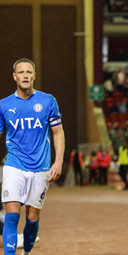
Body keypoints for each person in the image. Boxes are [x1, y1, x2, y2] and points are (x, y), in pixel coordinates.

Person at [0, 58, 65, 255]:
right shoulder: (4, 105)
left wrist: (58, 162)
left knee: (32, 218)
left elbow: (57, 133)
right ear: (14, 77)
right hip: (13, 165)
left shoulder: (48, 101)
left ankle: (27, 251)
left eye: (29, 72)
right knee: (12, 216)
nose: (25, 76)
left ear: (34, 75)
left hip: (41, 168)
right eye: (21, 72)